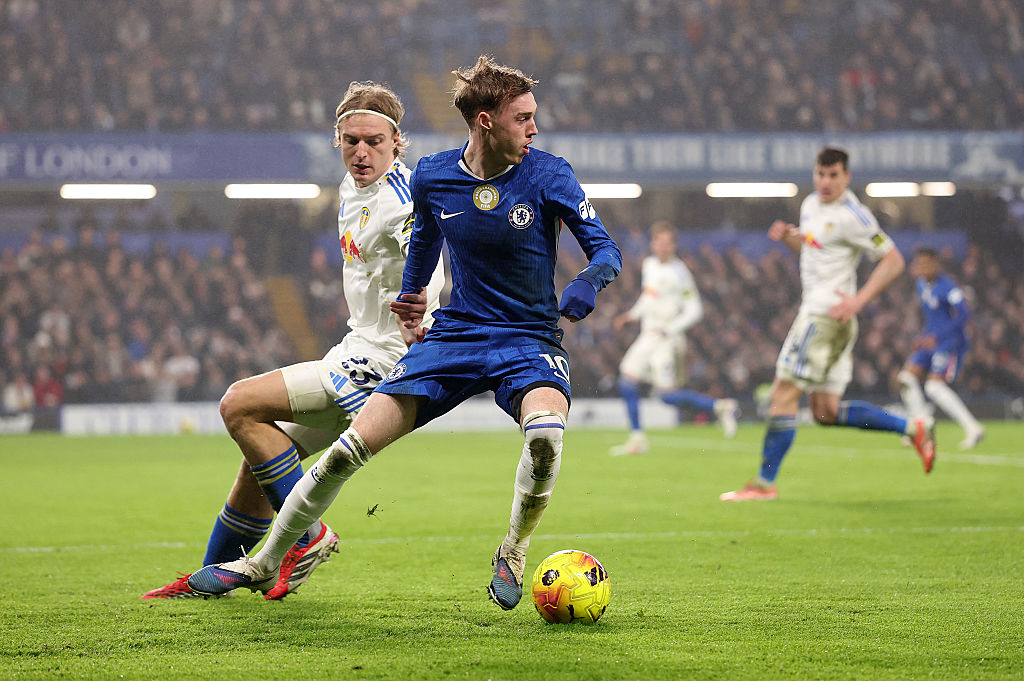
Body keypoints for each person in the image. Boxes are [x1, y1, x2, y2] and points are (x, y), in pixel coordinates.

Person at [186, 55, 622, 611]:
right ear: (486, 121)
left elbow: (607, 249)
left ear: (394, 140)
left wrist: (590, 279)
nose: (534, 128)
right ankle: (262, 561)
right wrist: (413, 301)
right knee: (345, 453)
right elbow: (423, 247)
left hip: (527, 340)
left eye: (533, 117)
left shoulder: (549, 172)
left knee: (545, 438)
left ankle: (513, 550)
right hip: (453, 339)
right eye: (523, 118)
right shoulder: (434, 175)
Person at [142, 81, 444, 599]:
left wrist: (422, 302)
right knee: (258, 465)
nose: (361, 151)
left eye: (373, 140)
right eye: (350, 141)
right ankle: (207, 581)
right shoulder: (354, 189)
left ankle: (310, 536)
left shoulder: (401, 199)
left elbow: (433, 243)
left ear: (398, 141)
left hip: (384, 362)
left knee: (238, 405)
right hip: (354, 349)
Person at [720, 146, 935, 502]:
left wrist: (858, 301)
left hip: (824, 315)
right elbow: (815, 253)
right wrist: (790, 238)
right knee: (825, 411)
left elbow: (893, 260)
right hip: (830, 320)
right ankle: (914, 428)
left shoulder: (856, 216)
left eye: (834, 175)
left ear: (846, 177)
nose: (826, 181)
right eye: (821, 174)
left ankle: (763, 485)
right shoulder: (809, 205)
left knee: (782, 395)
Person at [609, 221, 739, 456]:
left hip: (666, 340)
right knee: (626, 379)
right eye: (658, 242)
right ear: (653, 243)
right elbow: (648, 297)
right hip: (647, 335)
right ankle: (637, 438)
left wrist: (670, 329)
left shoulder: (680, 272)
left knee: (666, 396)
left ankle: (720, 407)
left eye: (667, 243)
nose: (662, 247)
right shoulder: (649, 265)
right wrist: (632, 315)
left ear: (673, 245)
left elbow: (695, 309)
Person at [897, 247, 984, 450]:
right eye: (920, 264)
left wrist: (936, 336)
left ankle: (973, 427)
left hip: (949, 343)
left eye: (928, 263)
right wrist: (923, 336)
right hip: (931, 341)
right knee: (905, 379)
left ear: (936, 265)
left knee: (933, 387)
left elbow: (963, 315)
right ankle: (921, 427)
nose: (923, 267)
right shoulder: (921, 285)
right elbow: (933, 318)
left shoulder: (948, 287)